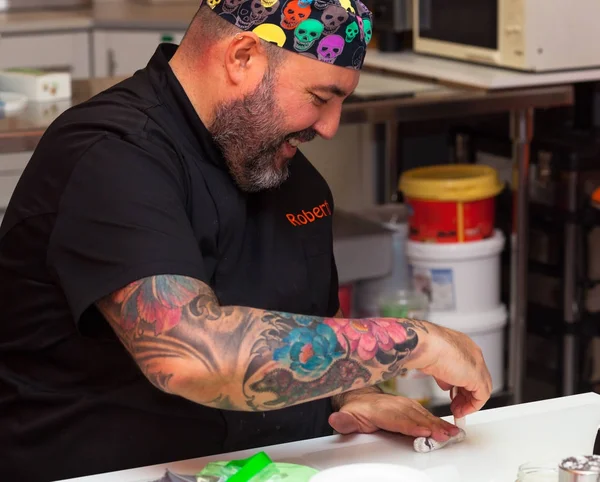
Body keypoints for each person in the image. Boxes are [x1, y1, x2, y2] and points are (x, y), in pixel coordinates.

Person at [0, 1, 492, 480]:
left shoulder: (281, 171)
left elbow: (310, 319)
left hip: (264, 464)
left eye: (342, 102)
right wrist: (413, 341)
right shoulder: (111, 155)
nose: (331, 126)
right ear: (241, 57)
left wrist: (349, 392)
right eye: (320, 99)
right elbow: (187, 356)